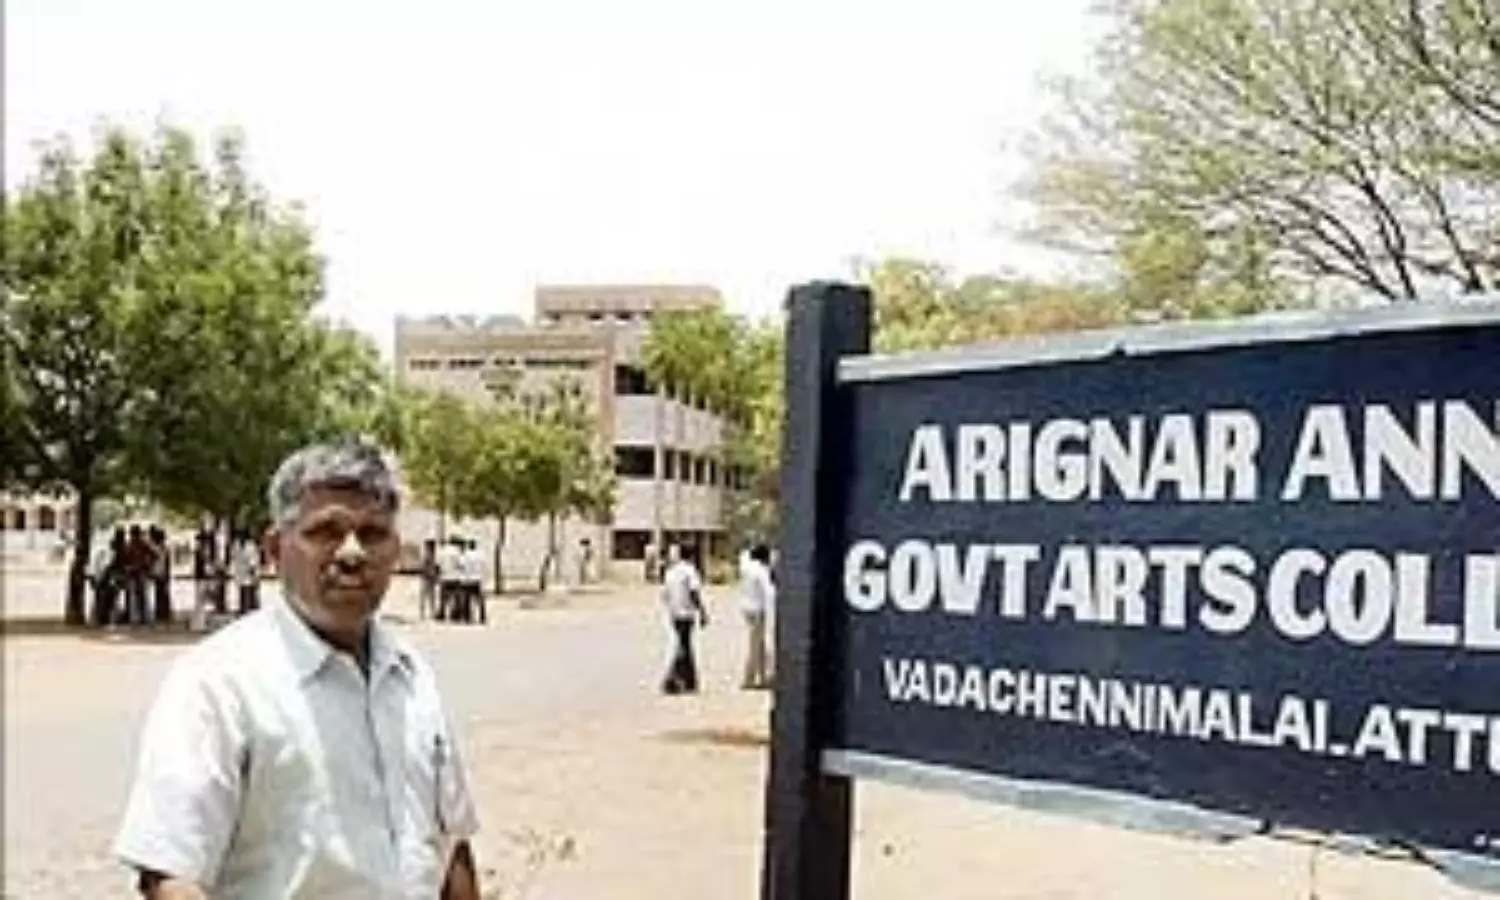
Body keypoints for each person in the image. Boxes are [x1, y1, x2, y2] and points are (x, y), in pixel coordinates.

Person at [113, 437, 482, 899]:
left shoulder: (411, 675)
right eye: (326, 532)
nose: (352, 553)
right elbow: (170, 874)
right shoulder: (218, 683)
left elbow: (451, 846)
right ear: (274, 548)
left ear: (395, 548)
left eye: (373, 534)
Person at [660, 543, 708, 694]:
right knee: (684, 647)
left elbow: (665, 595)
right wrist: (702, 612)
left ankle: (689, 681)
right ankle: (672, 679)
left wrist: (672, 609)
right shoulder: (690, 571)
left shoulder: (671, 571)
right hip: (686, 613)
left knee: (685, 645)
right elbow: (694, 592)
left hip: (674, 614)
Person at [738, 543, 776, 690]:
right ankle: (750, 678)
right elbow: (768, 592)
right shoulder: (761, 571)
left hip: (747, 608)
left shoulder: (747, 568)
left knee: (758, 644)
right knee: (756, 645)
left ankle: (763, 676)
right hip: (757, 610)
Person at [231, 534, 261, 615]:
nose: (241, 539)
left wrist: (253, 571)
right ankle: (242, 607)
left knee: (248, 589)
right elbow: (234, 556)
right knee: (241, 589)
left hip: (248, 570)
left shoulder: (250, 546)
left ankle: (249, 607)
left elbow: (253, 559)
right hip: (240, 571)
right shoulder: (236, 544)